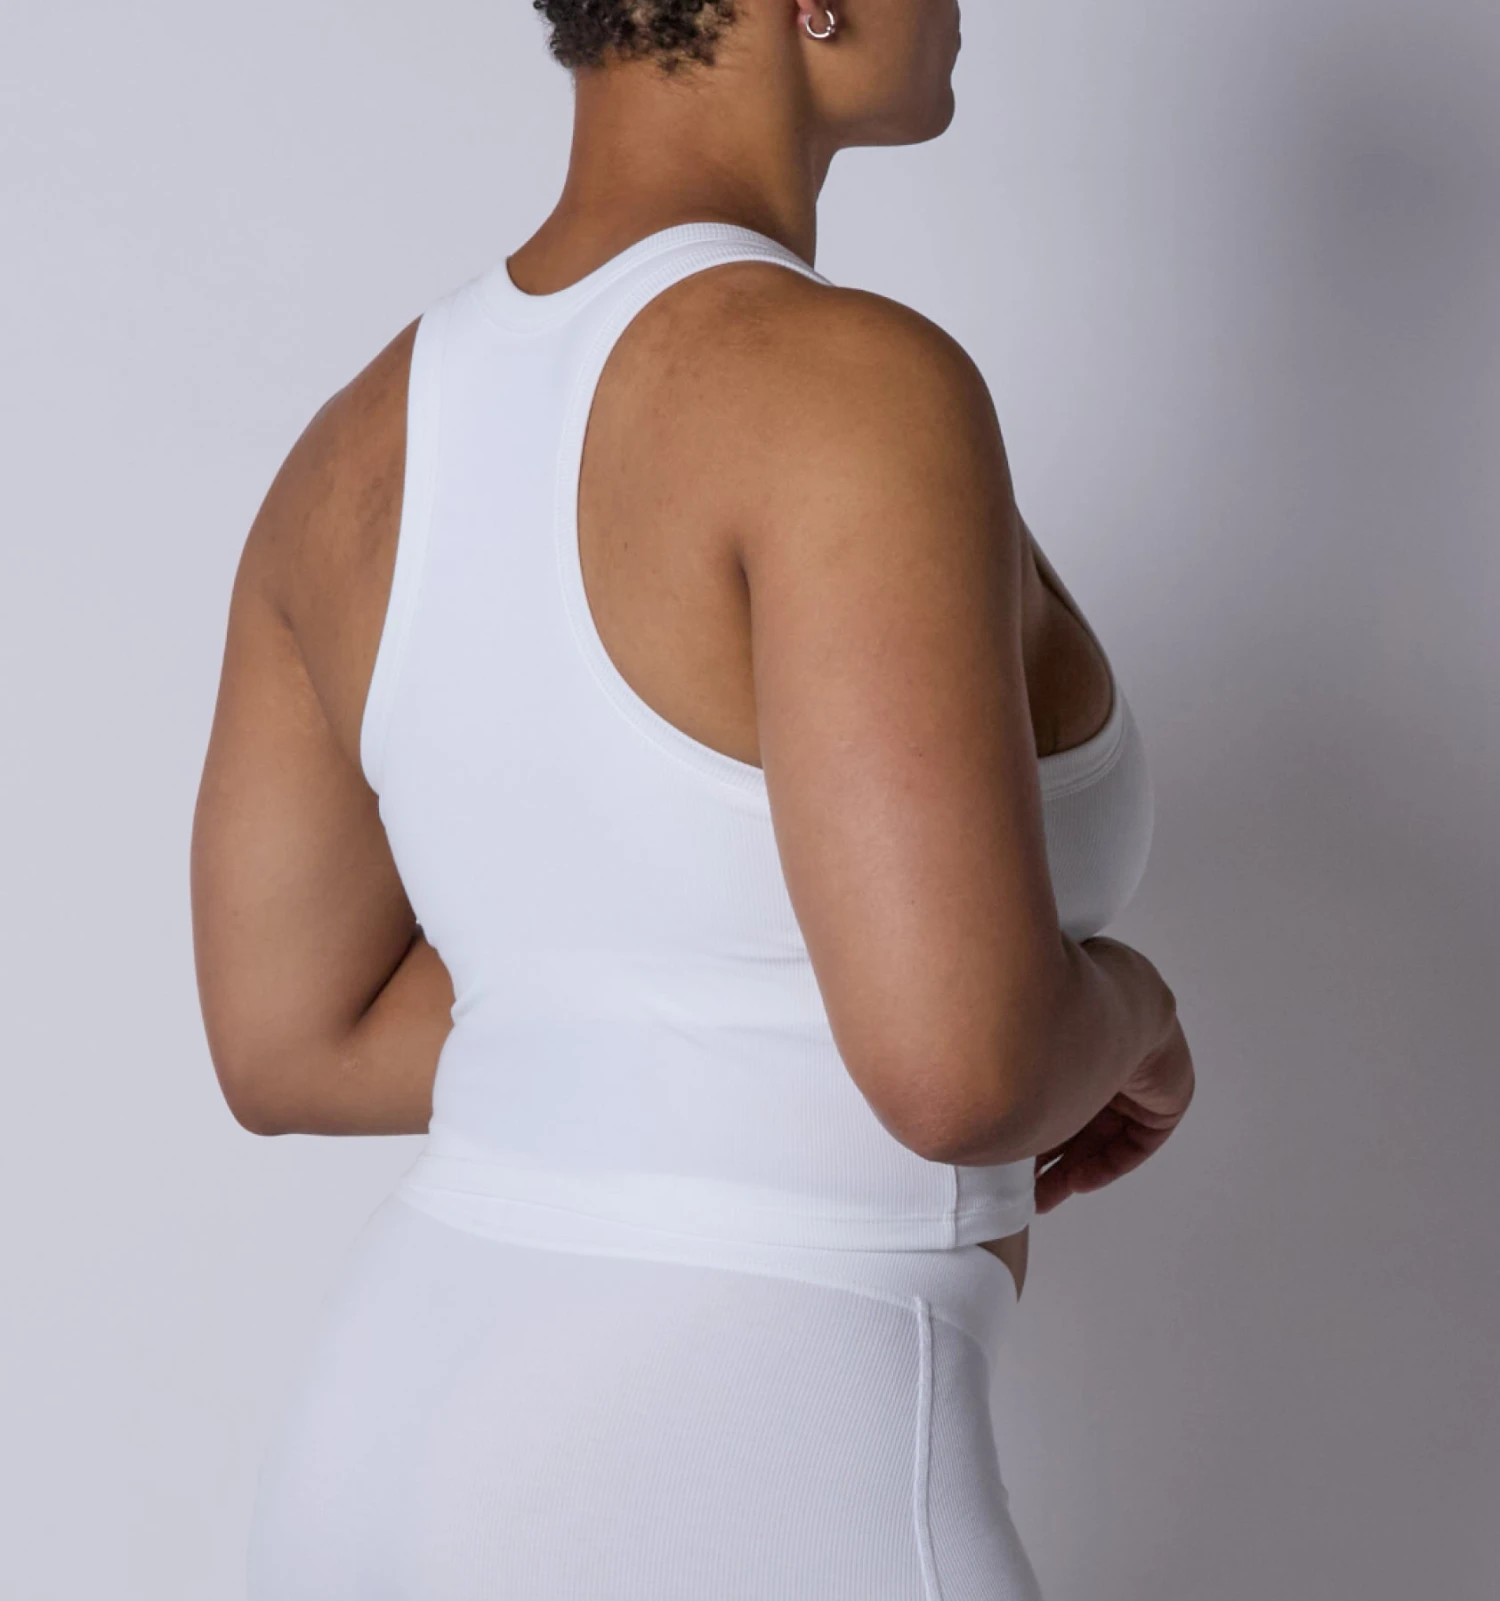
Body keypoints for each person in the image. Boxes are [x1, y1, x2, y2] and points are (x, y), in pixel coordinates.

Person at [190, 1, 1195, 1595]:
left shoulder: (352, 456)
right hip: (756, 1455)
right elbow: (963, 1072)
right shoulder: (851, 386)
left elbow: (288, 1045)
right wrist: (1135, 1015)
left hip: (391, 1444)